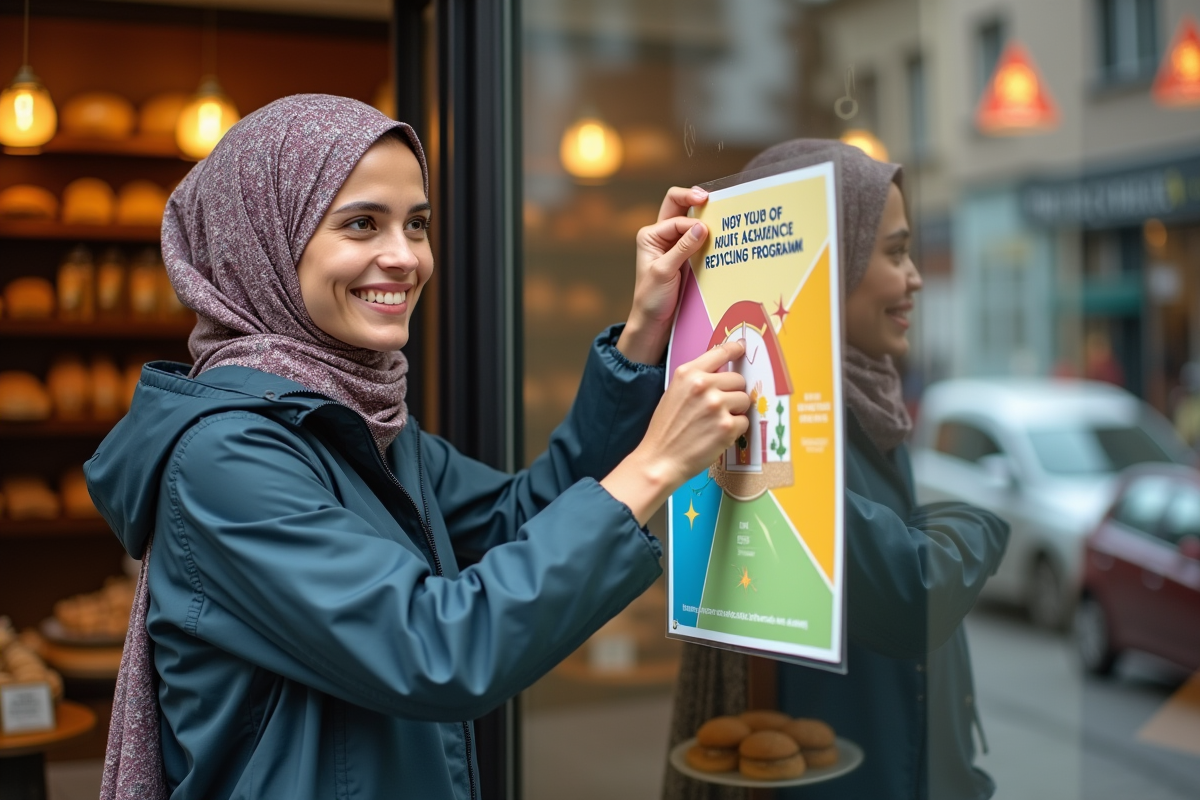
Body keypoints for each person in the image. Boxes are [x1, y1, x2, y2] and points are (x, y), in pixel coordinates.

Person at [85, 94, 753, 800]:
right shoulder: (225, 459)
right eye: (361, 224)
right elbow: (439, 651)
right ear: (266, 241)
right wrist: (656, 464)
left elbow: (519, 518)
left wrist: (645, 330)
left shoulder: (359, 421)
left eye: (418, 224)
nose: (404, 258)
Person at [663, 140, 1011, 800]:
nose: (915, 278)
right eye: (895, 252)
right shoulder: (790, 426)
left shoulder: (869, 402)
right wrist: (977, 522)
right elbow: (914, 591)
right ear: (831, 263)